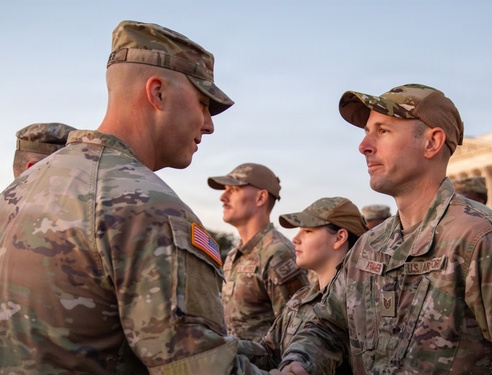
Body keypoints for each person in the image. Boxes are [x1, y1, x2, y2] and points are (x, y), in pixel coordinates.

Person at [0, 20, 269, 374]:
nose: (209, 124)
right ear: (157, 93)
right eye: (203, 103)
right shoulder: (149, 208)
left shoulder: (18, 191)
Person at [274, 84, 492, 374]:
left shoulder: (485, 240)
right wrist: (300, 363)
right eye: (367, 132)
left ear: (432, 142)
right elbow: (327, 324)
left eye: (382, 131)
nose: (364, 146)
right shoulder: (370, 247)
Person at [237, 197, 368, 373]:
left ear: (339, 237)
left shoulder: (359, 302)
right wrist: (222, 348)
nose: (295, 239)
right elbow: (269, 354)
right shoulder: (301, 298)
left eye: (307, 231)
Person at [208, 163, 309, 341]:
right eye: (225, 189)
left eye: (234, 189)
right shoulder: (234, 255)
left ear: (260, 197)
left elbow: (297, 332)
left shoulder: (278, 254)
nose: (223, 197)